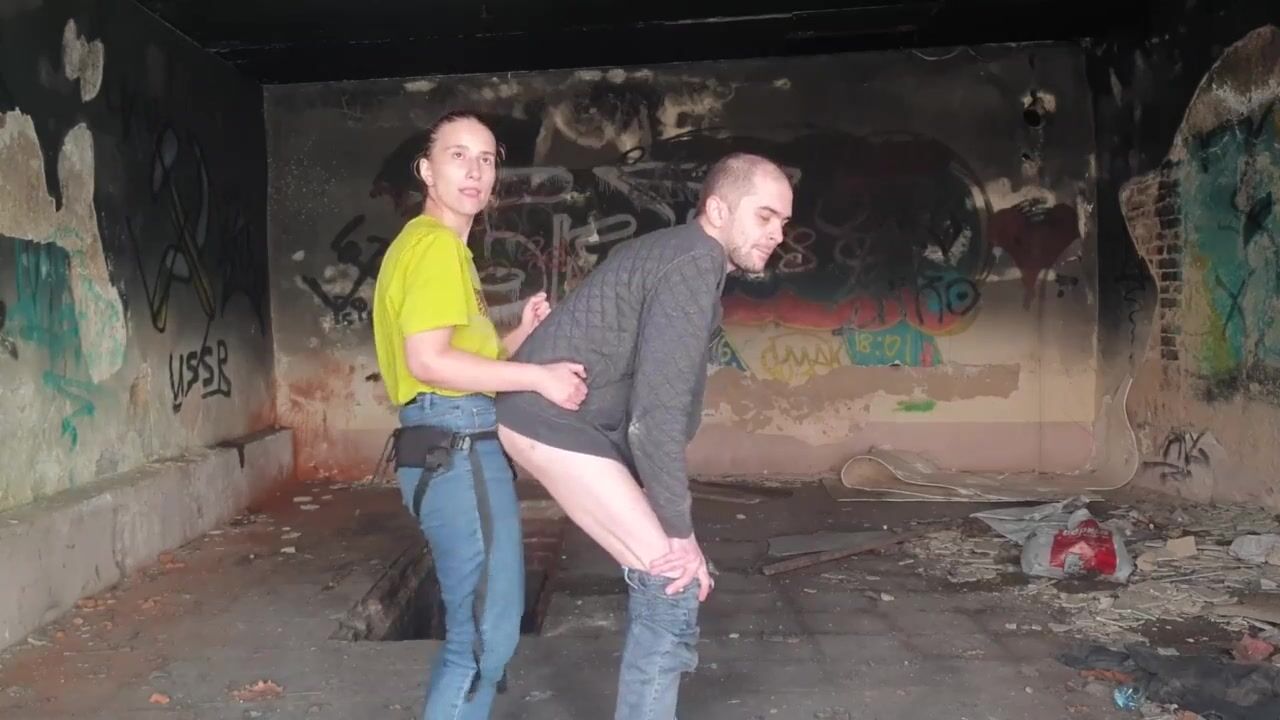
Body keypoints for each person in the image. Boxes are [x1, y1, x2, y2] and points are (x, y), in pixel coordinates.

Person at [495, 152, 793, 719]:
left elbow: (646, 402)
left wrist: (664, 512)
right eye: (764, 216)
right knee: (672, 578)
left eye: (783, 221)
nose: (777, 233)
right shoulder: (692, 262)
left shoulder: (681, 255)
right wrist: (680, 532)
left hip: (554, 422)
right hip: (551, 421)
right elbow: (655, 417)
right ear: (717, 210)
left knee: (668, 577)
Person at [371, 110, 588, 720]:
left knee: (484, 628)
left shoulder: (435, 249)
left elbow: (463, 364)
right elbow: (430, 362)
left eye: (486, 159)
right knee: (483, 637)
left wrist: (520, 337)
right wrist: (540, 378)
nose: (475, 170)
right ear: (426, 170)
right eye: (458, 155)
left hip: (449, 447)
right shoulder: (436, 247)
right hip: (458, 451)